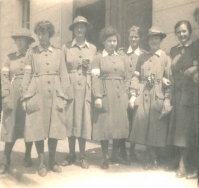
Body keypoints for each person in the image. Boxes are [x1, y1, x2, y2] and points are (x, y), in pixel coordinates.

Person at [21, 21, 70, 177]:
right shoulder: (31, 53)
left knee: (54, 129)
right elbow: (27, 74)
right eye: (39, 33)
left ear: (50, 34)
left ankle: (52, 161)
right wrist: (25, 97)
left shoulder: (58, 52)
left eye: (44, 33)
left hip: (55, 94)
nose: (41, 36)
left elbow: (64, 75)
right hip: (37, 93)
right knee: (38, 129)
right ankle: (42, 163)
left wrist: (64, 96)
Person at [129, 26, 172, 170]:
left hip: (158, 95)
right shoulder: (142, 57)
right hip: (143, 94)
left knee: (156, 127)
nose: (154, 41)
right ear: (148, 41)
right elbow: (135, 76)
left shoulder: (166, 58)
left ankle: (153, 157)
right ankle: (148, 155)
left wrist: (167, 99)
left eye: (156, 38)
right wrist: (133, 94)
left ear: (160, 40)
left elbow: (169, 80)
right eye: (151, 38)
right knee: (143, 125)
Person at [91, 27, 130, 169]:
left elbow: (127, 77)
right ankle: (105, 157)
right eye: (110, 41)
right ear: (103, 42)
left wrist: (126, 93)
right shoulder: (97, 58)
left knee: (119, 126)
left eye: (115, 41)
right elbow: (95, 79)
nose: (113, 43)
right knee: (105, 126)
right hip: (106, 94)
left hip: (120, 96)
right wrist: (98, 96)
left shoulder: (122, 58)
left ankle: (115, 154)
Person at [61, 16, 96, 169]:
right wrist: (64, 90)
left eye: (82, 26)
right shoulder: (66, 47)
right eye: (77, 27)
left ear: (86, 29)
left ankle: (82, 155)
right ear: (73, 30)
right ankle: (71, 154)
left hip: (85, 88)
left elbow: (95, 71)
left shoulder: (93, 48)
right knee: (70, 121)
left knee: (83, 121)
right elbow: (62, 71)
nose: (79, 30)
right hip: (71, 87)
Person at [0, 28, 35, 174]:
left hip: (29, 92)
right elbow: (4, 77)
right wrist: (6, 94)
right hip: (13, 94)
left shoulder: (33, 56)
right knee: (11, 125)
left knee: (29, 125)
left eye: (22, 39)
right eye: (17, 39)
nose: (19, 41)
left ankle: (27, 155)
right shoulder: (9, 58)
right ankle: (6, 158)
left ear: (28, 42)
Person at [167, 20, 197, 178]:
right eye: (179, 32)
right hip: (175, 94)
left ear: (190, 32)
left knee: (184, 131)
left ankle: (183, 165)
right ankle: (177, 160)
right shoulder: (173, 50)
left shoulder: (195, 48)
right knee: (176, 129)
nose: (182, 34)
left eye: (184, 31)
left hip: (189, 95)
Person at [118, 25, 146, 163]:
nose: (133, 39)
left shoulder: (144, 55)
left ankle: (133, 151)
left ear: (140, 38)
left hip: (137, 92)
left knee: (134, 122)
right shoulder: (121, 53)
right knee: (123, 122)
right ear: (128, 38)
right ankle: (122, 152)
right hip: (122, 91)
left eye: (136, 37)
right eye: (131, 37)